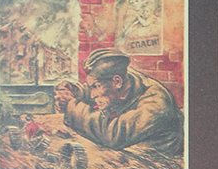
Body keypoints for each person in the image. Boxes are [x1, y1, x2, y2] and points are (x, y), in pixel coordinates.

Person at [53, 48, 184, 154]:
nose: (92, 95)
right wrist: (77, 91)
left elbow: (113, 133)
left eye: (95, 86)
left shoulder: (155, 103)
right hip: (132, 155)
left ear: (117, 81)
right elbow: (106, 90)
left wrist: (71, 106)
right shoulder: (125, 79)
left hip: (158, 163)